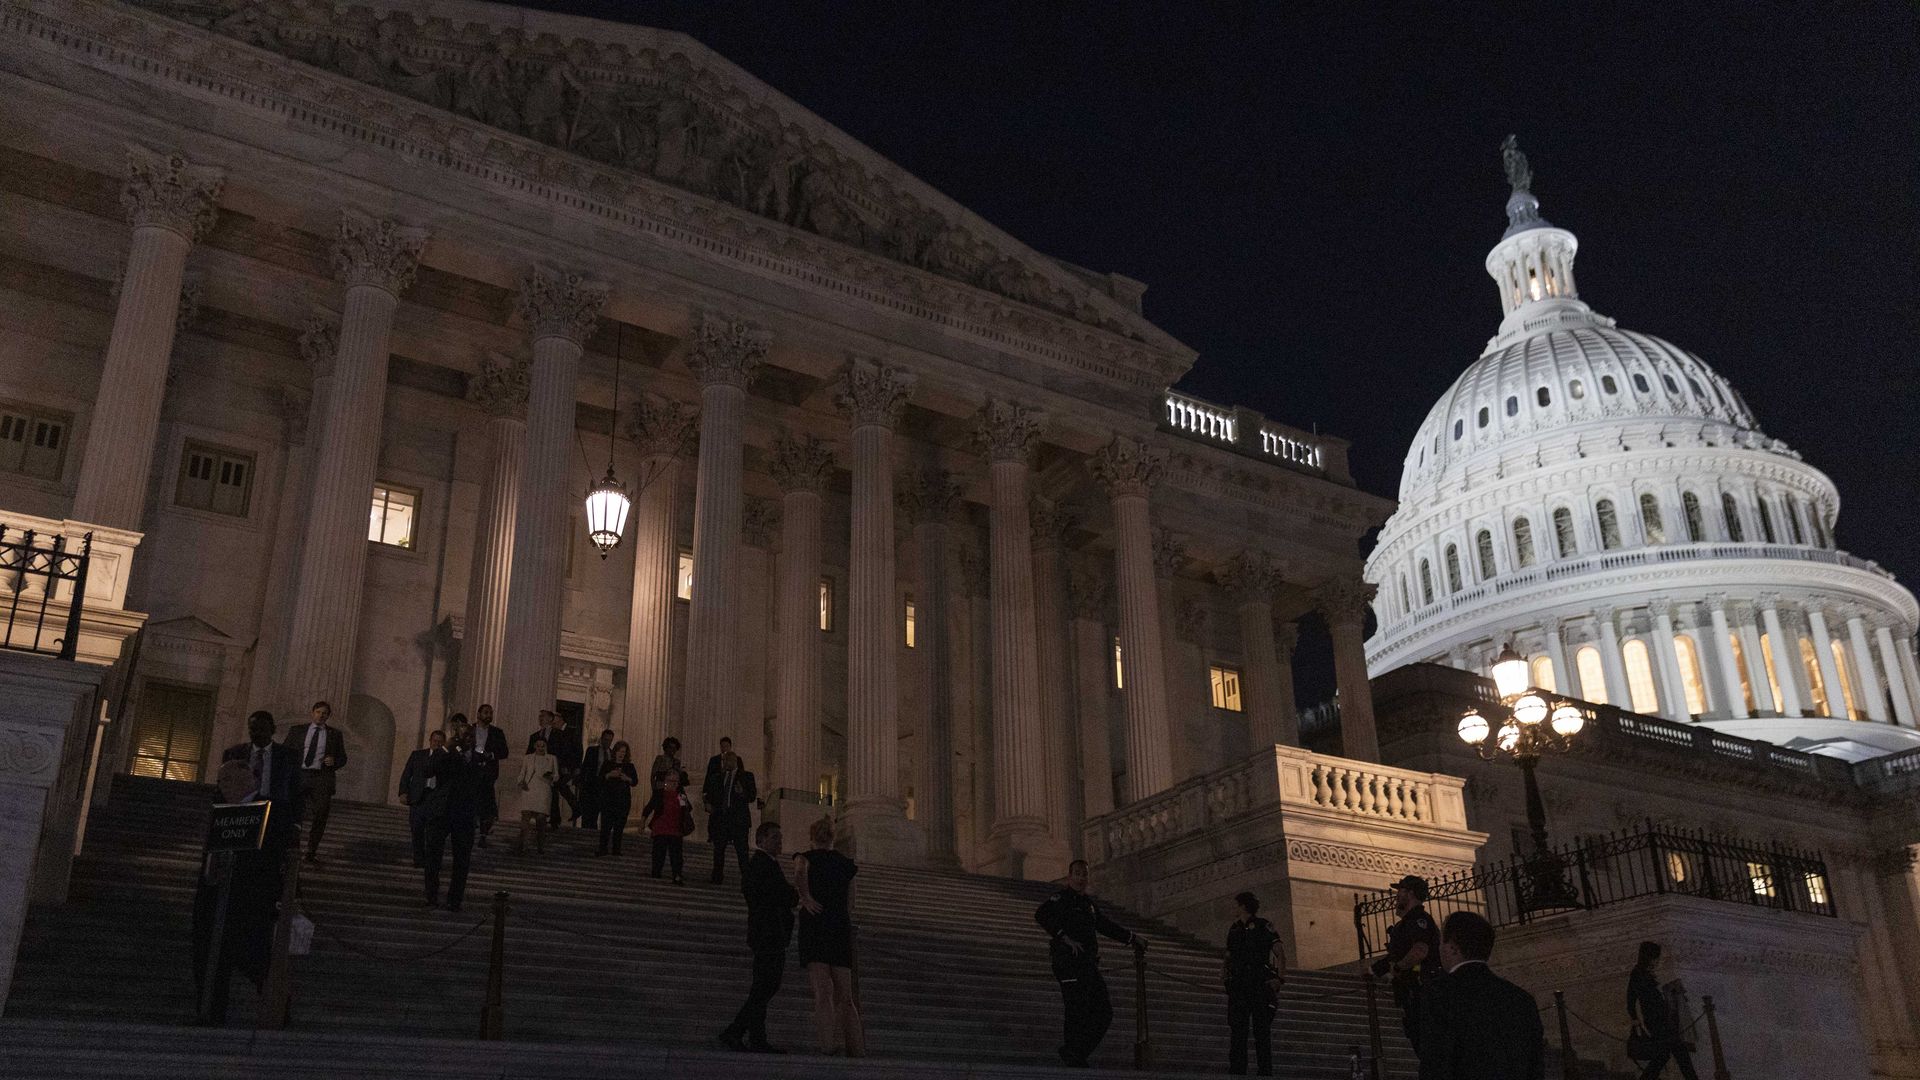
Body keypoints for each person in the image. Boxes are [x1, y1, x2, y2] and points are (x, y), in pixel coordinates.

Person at [195, 710, 299, 1024]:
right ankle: (212, 1012)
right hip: (218, 895)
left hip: (254, 896)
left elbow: (281, 851)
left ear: (249, 779)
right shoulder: (223, 809)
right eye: (221, 780)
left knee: (254, 957)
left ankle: (277, 1012)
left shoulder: (274, 813)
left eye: (229, 780)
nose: (222, 784)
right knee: (212, 956)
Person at [1035, 858, 1146, 1069]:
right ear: (1070, 877)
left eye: (1084, 874)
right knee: (1075, 1010)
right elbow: (1041, 914)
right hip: (1068, 962)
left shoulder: (1088, 904)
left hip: (1087, 964)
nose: (1081, 878)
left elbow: (1104, 925)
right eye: (1077, 874)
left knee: (1104, 1011)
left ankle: (1076, 1052)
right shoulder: (1061, 898)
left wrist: (1132, 938)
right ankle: (1073, 1053)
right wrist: (1063, 937)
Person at [1416, 911, 1545, 1080]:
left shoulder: (1439, 994)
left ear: (1453, 949)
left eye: (1441, 942)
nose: (1439, 948)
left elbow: (1436, 1063)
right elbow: (1535, 1066)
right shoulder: (1521, 999)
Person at [718, 820, 799, 1053]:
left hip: (768, 933)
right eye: (775, 837)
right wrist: (790, 895)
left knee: (762, 987)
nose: (780, 841)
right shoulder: (763, 864)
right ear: (760, 840)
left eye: (780, 838)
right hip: (769, 934)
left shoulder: (765, 864)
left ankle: (757, 1038)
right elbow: (784, 895)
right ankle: (735, 1031)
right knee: (766, 987)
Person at [795, 816, 863, 1057]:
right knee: (846, 996)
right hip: (838, 926)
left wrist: (806, 898)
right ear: (833, 838)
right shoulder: (846, 864)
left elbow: (800, 875)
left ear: (812, 838)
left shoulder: (806, 858)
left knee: (823, 992)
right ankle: (856, 1047)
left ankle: (827, 1045)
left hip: (815, 924)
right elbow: (851, 902)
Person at [1370, 875, 1441, 1055]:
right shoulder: (1406, 923)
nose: (1396, 896)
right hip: (1411, 994)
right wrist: (1374, 970)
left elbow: (1420, 951)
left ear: (1409, 894)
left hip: (1421, 993)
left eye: (1400, 891)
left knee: (1427, 1047)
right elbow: (1397, 955)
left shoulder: (1418, 920)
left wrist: (1398, 969)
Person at [1222, 891, 1286, 1076]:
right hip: (1239, 985)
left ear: (1243, 906)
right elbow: (1228, 955)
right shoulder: (1234, 929)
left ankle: (1264, 1070)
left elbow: (1279, 952)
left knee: (1261, 1030)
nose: (1233, 908)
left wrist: (1280, 978)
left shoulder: (1263, 926)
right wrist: (1223, 973)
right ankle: (1237, 1068)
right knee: (1237, 1029)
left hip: (1259, 984)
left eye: (1236, 905)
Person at [422, 718, 482, 912]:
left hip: (465, 815)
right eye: (464, 735)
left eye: (471, 736)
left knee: (462, 861)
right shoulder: (447, 754)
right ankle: (431, 896)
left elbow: (485, 788)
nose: (468, 739)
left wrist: (487, 814)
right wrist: (446, 749)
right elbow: (429, 770)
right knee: (432, 857)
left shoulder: (478, 759)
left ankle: (454, 900)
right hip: (442, 812)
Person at [283, 700, 347, 863]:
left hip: (321, 778)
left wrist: (335, 761)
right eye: (318, 712)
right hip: (300, 775)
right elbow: (285, 752)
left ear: (328, 716)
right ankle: (291, 847)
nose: (321, 715)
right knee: (292, 812)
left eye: (324, 713)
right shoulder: (297, 731)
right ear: (313, 713)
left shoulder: (335, 734)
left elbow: (343, 758)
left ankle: (312, 850)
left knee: (321, 813)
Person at [1629, 942, 1700, 1080]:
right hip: (1657, 1021)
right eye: (1655, 957)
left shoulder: (1643, 974)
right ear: (1648, 957)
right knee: (1679, 1051)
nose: (1657, 961)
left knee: (1664, 1054)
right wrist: (1635, 1020)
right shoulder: (1638, 974)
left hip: (1659, 1020)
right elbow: (1631, 999)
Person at [704, 749, 757, 884]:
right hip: (721, 819)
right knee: (719, 850)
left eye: (727, 760)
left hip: (738, 820)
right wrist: (708, 804)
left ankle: (747, 879)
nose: (725, 763)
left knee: (742, 852)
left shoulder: (746, 776)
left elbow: (751, 796)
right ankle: (717, 877)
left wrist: (742, 793)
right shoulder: (717, 777)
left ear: (734, 761)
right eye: (724, 761)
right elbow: (710, 794)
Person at [398, 728, 447, 868]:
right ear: (430, 741)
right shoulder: (418, 755)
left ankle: (430, 860)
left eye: (440, 742)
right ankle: (418, 859)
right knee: (417, 829)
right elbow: (407, 774)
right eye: (435, 741)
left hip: (435, 797)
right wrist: (403, 792)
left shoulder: (446, 759)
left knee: (432, 832)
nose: (436, 744)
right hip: (419, 796)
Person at [641, 770, 695, 883]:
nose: (673, 783)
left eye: (676, 781)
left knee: (676, 855)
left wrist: (682, 799)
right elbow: (649, 807)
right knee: (658, 853)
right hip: (660, 827)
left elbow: (687, 809)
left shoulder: (680, 795)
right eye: (671, 781)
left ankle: (677, 874)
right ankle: (656, 872)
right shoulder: (659, 793)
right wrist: (642, 822)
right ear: (665, 781)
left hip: (675, 829)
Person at [468, 703, 508, 847]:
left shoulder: (497, 733)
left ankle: (484, 834)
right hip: (471, 771)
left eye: (490, 713)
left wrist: (490, 755)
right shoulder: (469, 730)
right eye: (485, 712)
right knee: (471, 802)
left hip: (488, 772)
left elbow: (504, 752)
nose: (488, 715)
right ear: (478, 714)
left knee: (487, 804)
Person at [513, 735, 558, 855]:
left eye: (543, 746)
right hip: (529, 789)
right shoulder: (528, 758)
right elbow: (522, 773)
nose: (540, 748)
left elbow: (556, 776)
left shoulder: (552, 758)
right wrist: (520, 782)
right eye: (538, 745)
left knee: (541, 821)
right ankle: (522, 846)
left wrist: (551, 776)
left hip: (543, 790)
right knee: (525, 819)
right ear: (534, 746)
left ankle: (540, 846)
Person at [596, 741, 639, 856]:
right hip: (608, 799)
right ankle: (603, 848)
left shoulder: (629, 766)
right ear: (615, 751)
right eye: (619, 751)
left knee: (619, 826)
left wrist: (626, 778)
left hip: (623, 800)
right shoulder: (608, 764)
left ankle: (616, 849)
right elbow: (600, 779)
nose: (621, 754)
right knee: (606, 825)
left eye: (624, 752)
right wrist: (609, 775)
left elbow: (635, 781)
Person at [547, 711, 583, 826]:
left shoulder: (572, 731)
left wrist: (576, 767)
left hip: (568, 767)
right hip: (558, 766)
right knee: (558, 788)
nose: (552, 721)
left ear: (560, 718)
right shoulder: (554, 732)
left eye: (554, 718)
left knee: (557, 787)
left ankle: (558, 816)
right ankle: (574, 808)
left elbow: (578, 749)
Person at [579, 728, 615, 831]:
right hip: (592, 785)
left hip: (605, 787)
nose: (607, 742)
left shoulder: (612, 754)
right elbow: (585, 767)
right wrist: (582, 783)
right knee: (588, 813)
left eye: (609, 740)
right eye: (605, 739)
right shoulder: (592, 750)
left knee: (601, 811)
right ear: (601, 739)